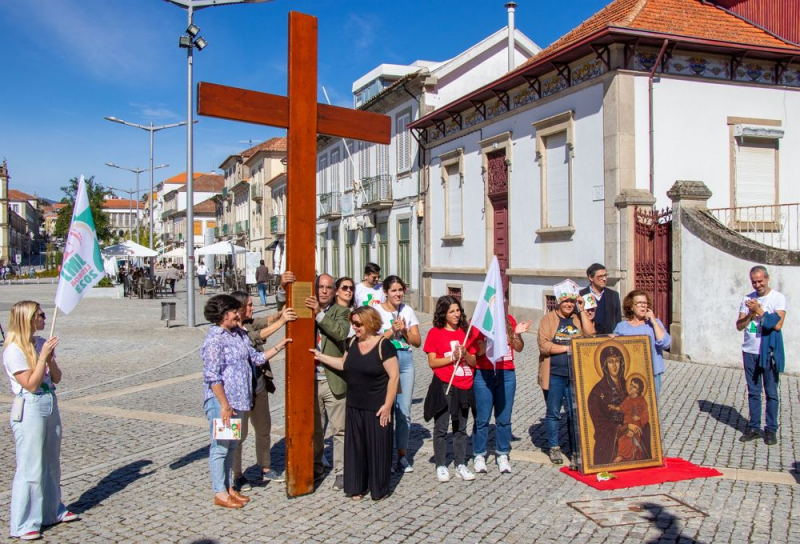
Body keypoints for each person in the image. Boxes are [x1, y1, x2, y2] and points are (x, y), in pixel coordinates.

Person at [201, 294, 291, 508]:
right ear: (222, 314)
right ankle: (220, 492)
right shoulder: (215, 339)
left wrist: (280, 346)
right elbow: (212, 377)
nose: (237, 314)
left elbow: (256, 358)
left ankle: (230, 488)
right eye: (233, 311)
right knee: (221, 447)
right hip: (222, 404)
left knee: (232, 446)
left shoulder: (238, 334)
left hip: (240, 401)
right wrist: (224, 405)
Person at [3, 301, 79, 540]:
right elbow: (31, 383)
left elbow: (56, 377)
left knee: (51, 462)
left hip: (49, 401)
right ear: (28, 319)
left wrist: (50, 360)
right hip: (29, 405)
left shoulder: (38, 343)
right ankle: (24, 522)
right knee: (30, 466)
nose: (44, 319)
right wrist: (41, 358)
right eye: (40, 315)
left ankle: (52, 510)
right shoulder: (14, 350)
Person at [311, 306, 400, 500]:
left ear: (370, 323)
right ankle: (356, 486)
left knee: (377, 450)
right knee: (356, 449)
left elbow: (394, 377)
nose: (354, 327)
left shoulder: (384, 346)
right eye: (353, 323)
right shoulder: (351, 342)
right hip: (354, 405)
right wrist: (320, 356)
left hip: (377, 407)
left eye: (358, 324)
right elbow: (344, 365)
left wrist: (387, 406)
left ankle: (379, 489)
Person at [229, 291, 296, 490]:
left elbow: (265, 321)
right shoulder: (233, 330)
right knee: (237, 435)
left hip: (258, 388)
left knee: (263, 430)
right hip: (238, 394)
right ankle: (237, 474)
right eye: (249, 305)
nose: (252, 307)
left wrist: (280, 313)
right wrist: (282, 321)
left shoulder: (248, 322)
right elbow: (257, 337)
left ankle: (265, 466)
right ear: (239, 309)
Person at [423, 295, 479, 483]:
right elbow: (432, 362)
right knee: (441, 427)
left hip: (464, 384)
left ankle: (460, 463)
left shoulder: (465, 332)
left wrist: (465, 356)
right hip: (445, 384)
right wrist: (452, 358)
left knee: (461, 427)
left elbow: (474, 360)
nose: (456, 314)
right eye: (451, 311)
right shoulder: (435, 333)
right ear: (443, 314)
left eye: (458, 310)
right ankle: (440, 464)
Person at [537, 291, 594, 465]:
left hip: (575, 375)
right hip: (554, 373)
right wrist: (568, 348)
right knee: (553, 412)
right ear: (559, 302)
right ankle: (554, 447)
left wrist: (583, 311)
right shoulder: (548, 320)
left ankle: (575, 449)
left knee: (573, 413)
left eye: (572, 302)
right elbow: (544, 345)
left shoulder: (577, 318)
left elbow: (590, 335)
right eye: (566, 301)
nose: (569, 304)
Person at [470, 313, 532, 475]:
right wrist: (494, 337)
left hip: (506, 372)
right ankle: (479, 454)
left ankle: (502, 453)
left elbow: (518, 348)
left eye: (504, 298)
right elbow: (478, 351)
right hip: (484, 373)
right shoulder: (480, 319)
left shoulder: (509, 319)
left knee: (504, 418)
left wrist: (516, 334)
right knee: (482, 418)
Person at [373, 275, 421, 473]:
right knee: (385, 409)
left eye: (400, 290)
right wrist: (392, 331)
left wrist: (406, 331)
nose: (398, 294)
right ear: (385, 292)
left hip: (405, 362)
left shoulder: (407, 311)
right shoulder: (376, 312)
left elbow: (417, 342)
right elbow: (371, 340)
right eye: (393, 290)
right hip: (384, 361)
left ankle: (402, 456)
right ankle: (383, 456)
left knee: (404, 411)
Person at [735, 265, 786, 446]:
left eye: (760, 281)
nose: (757, 285)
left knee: (771, 393)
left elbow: (777, 325)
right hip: (749, 351)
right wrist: (750, 313)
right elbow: (739, 325)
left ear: (767, 278)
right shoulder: (747, 299)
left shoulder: (777, 298)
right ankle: (754, 427)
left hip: (768, 352)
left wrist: (759, 310)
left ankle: (771, 429)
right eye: (754, 282)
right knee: (753, 392)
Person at [613, 290, 671, 399]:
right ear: (631, 306)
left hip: (651, 372)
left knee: (651, 409)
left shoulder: (655, 323)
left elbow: (666, 343)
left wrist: (653, 322)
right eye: (639, 303)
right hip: (629, 375)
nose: (643, 306)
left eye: (645, 303)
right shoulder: (622, 327)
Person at [587, 345, 630, 465]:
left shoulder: (629, 386)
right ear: (605, 366)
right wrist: (620, 429)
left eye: (617, 361)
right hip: (609, 440)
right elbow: (600, 424)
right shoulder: (597, 392)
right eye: (611, 362)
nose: (615, 366)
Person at [610, 377, 650, 463]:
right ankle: (622, 456)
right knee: (622, 439)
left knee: (628, 439)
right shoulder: (628, 399)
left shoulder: (641, 401)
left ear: (638, 390)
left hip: (637, 426)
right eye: (631, 384)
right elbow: (622, 407)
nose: (631, 387)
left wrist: (639, 418)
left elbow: (645, 414)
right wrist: (614, 408)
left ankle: (621, 457)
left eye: (634, 386)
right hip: (628, 424)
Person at [579, 263, 621, 335]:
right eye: (600, 276)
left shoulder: (613, 295)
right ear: (590, 278)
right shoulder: (581, 295)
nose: (604, 279)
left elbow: (618, 320)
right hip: (588, 338)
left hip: (609, 338)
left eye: (605, 276)